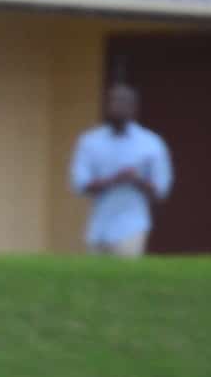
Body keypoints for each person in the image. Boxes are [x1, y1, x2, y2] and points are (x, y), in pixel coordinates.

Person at [70, 85, 173, 257]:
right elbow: (80, 184)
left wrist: (136, 180)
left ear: (134, 107)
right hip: (98, 227)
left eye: (123, 102)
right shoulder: (90, 142)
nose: (117, 106)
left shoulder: (151, 144)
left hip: (132, 226)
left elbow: (161, 190)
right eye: (113, 101)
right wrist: (114, 180)